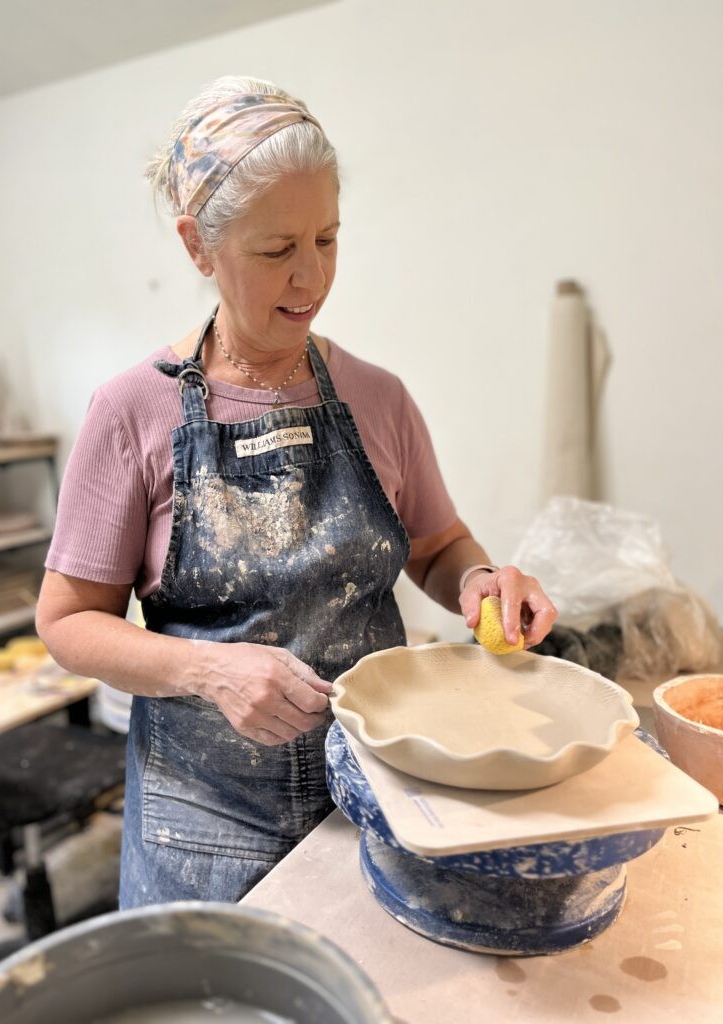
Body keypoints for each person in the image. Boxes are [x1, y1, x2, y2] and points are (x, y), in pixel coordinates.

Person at [36, 76, 557, 908]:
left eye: (328, 238)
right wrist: (208, 670)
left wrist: (478, 581)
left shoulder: (377, 397)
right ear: (197, 247)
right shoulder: (130, 411)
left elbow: (436, 545)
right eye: (277, 250)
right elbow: (66, 625)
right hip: (201, 823)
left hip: (379, 793)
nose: (311, 277)